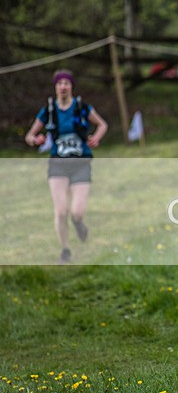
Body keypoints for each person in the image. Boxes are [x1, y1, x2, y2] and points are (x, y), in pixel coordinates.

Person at [24, 69, 108, 264]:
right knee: (61, 210)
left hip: (81, 164)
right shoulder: (49, 111)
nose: (63, 87)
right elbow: (29, 136)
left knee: (76, 211)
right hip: (58, 166)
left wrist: (96, 138)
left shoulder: (82, 108)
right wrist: (35, 140)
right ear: (55, 88)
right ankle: (65, 251)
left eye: (66, 83)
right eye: (59, 84)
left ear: (71, 87)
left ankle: (79, 224)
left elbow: (103, 124)